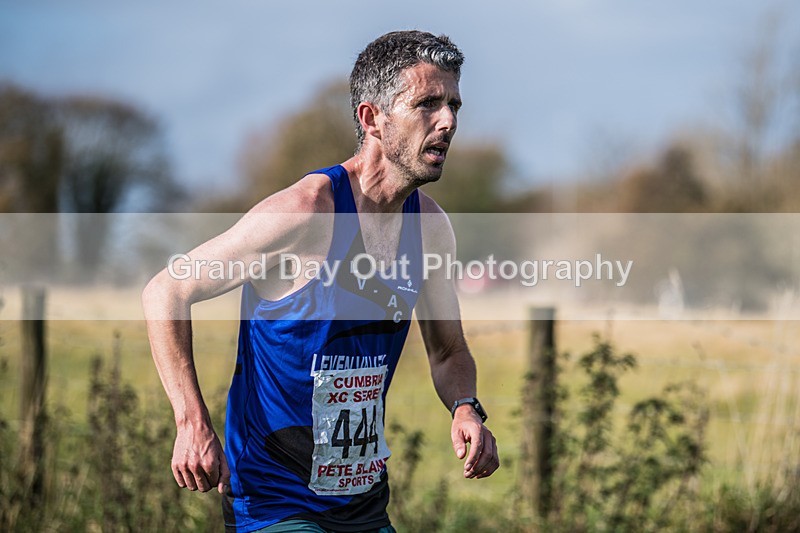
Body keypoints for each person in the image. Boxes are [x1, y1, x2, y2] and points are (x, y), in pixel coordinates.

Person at [142, 30, 499, 533]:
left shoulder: (431, 229)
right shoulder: (306, 212)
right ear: (372, 118)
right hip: (274, 503)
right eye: (427, 104)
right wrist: (190, 420)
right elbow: (166, 290)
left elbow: (448, 352)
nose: (448, 122)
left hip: (364, 504)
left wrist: (466, 408)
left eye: (454, 105)